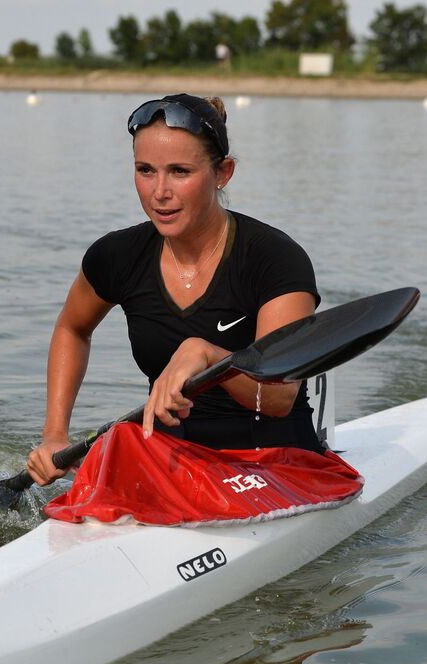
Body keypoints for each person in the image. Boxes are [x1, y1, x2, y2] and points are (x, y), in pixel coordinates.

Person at [26, 93, 321, 487]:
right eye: (145, 170)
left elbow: (279, 398)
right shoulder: (117, 256)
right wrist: (54, 434)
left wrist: (207, 354)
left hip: (274, 465)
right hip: (172, 464)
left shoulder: (274, 259)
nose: (159, 192)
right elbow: (72, 328)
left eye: (180, 171)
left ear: (223, 173)